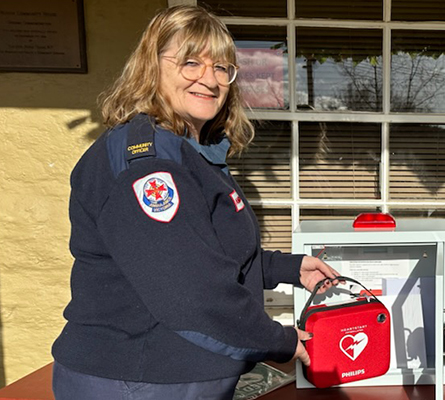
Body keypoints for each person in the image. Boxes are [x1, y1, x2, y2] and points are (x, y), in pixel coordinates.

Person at [51, 6, 338, 400]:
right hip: (138, 379)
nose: (210, 79)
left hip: (167, 377)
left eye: (222, 68)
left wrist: (287, 267)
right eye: (191, 63)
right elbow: (190, 291)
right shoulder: (149, 166)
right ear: (152, 67)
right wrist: (281, 340)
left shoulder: (188, 152)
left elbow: (205, 249)